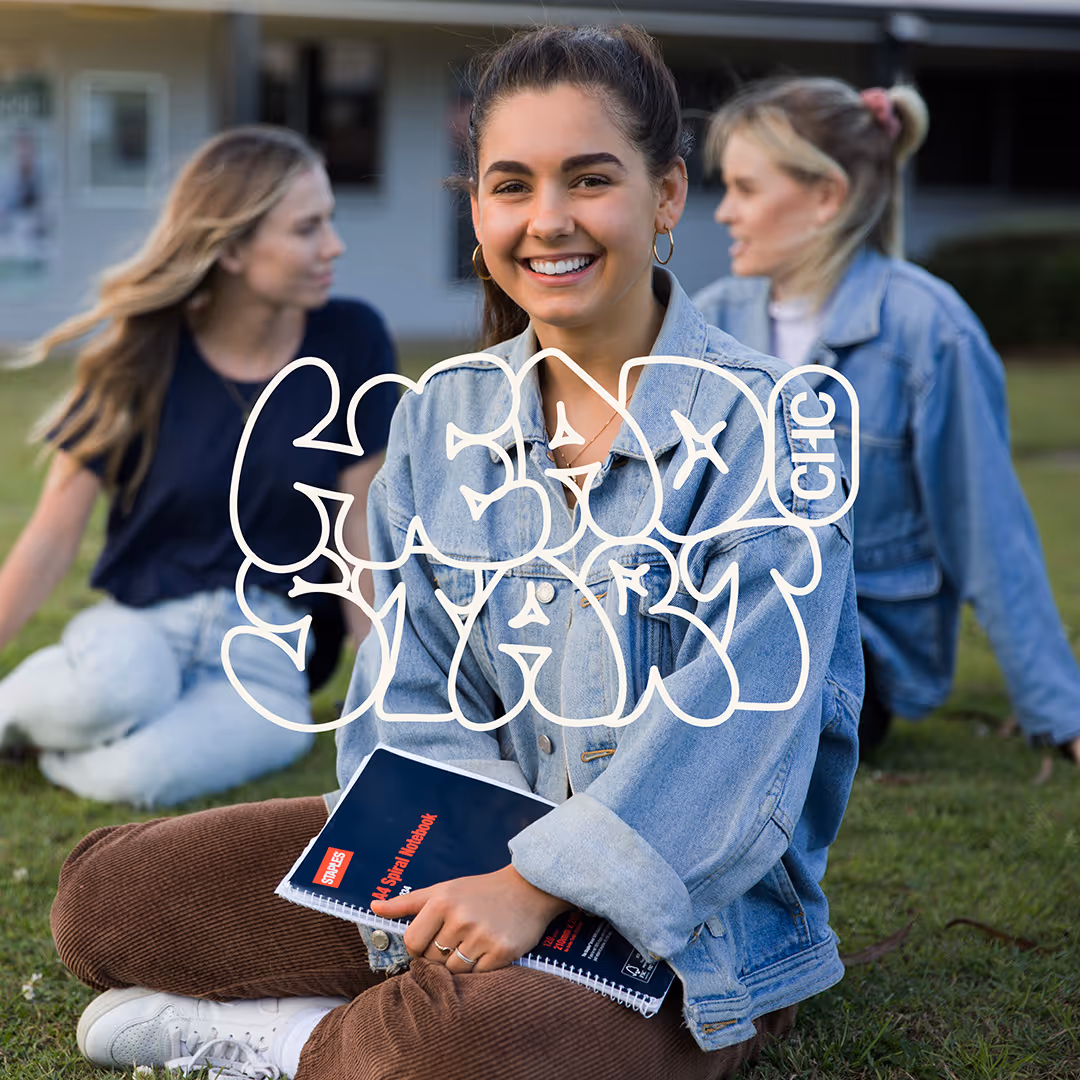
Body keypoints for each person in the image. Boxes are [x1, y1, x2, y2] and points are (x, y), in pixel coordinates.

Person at [51, 26, 862, 1079]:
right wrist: (468, 871)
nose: (548, 220)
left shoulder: (776, 424)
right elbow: (407, 684)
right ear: (477, 210)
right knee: (105, 898)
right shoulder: (443, 417)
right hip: (465, 852)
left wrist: (536, 889)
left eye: (590, 179)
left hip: (686, 919)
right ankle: (409, 990)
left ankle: (291, 1042)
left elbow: (745, 731)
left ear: (666, 197)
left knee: (465, 1047)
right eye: (511, 184)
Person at [0, 125, 398, 806]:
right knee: (117, 688)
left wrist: (392, 693)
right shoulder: (142, 350)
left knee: (142, 778)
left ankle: (60, 749)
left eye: (328, 220)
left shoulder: (353, 340)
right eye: (308, 228)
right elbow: (50, 540)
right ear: (234, 247)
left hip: (268, 659)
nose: (333, 245)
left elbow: (357, 530)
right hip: (140, 631)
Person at [692, 77, 1080, 763]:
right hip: (723, 624)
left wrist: (1062, 714)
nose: (724, 212)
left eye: (746, 189)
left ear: (825, 197)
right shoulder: (709, 322)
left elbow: (988, 533)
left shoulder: (929, 331)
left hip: (853, 658)